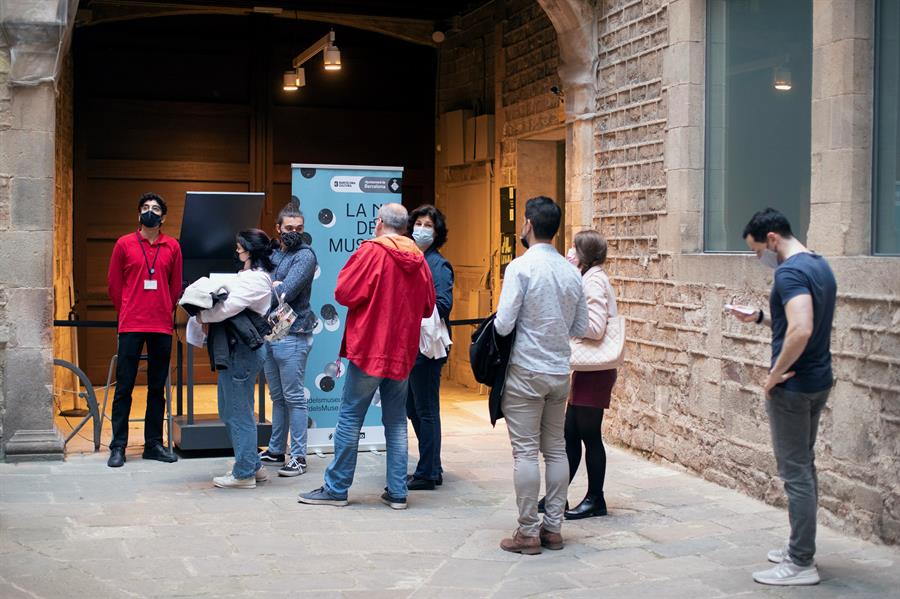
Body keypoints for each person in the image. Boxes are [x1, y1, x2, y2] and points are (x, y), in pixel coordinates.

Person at [298, 203, 435, 510]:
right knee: (397, 422)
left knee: (349, 416)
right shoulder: (419, 259)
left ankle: (336, 489)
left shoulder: (370, 252)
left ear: (379, 223)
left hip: (370, 348)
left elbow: (344, 293)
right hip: (402, 352)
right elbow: (427, 307)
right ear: (404, 228)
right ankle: (398, 492)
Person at [728, 208, 836, 586]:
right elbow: (801, 319)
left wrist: (773, 377)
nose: (761, 259)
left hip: (794, 387)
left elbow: (802, 328)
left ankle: (801, 562)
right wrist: (758, 316)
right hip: (818, 379)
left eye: (758, 251)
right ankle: (799, 546)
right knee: (804, 467)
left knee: (795, 474)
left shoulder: (789, 272)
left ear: (772, 238)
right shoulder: (819, 265)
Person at [493, 196, 588, 554]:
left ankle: (528, 532)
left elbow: (503, 325)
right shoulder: (570, 271)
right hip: (559, 371)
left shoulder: (520, 267)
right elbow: (580, 325)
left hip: (526, 370)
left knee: (525, 453)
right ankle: (554, 528)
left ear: (529, 224)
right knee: (557, 449)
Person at [106, 192, 183, 468]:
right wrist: (128, 309)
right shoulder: (124, 244)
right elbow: (114, 286)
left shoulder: (172, 246)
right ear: (139, 214)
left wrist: (163, 308)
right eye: (145, 208)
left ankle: (153, 444)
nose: (150, 211)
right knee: (124, 387)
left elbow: (175, 287)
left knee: (156, 388)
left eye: (155, 208)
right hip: (132, 324)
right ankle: (118, 446)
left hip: (161, 325)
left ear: (163, 216)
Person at [196, 230, 275, 489]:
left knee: (238, 412)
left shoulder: (256, 280)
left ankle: (243, 474)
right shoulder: (250, 277)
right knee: (230, 410)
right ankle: (253, 465)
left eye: (239, 247)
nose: (237, 251)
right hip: (236, 350)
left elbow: (228, 308)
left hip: (242, 350)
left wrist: (202, 317)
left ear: (249, 250)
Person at [258, 202, 317, 477]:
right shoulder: (273, 253)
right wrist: (272, 286)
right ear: (278, 229)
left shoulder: (305, 256)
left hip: (294, 332)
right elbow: (262, 286)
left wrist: (271, 286)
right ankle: (275, 449)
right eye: (289, 228)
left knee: (294, 397)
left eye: (299, 228)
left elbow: (287, 292)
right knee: (278, 396)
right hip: (271, 331)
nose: (294, 232)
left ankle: (299, 457)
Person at [563, 229, 618, 520]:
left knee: (588, 436)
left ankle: (596, 498)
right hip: (588, 369)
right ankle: (558, 496)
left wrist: (568, 323)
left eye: (574, 248)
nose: (569, 252)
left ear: (583, 253)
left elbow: (595, 328)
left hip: (595, 370)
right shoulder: (589, 278)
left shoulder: (594, 281)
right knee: (570, 434)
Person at [405, 205, 454, 491]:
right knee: (413, 406)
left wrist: (411, 305)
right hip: (412, 344)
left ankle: (428, 472)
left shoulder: (438, 264)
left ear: (437, 233)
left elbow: (443, 304)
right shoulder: (414, 257)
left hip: (428, 347)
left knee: (426, 409)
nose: (422, 229)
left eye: (428, 225)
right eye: (419, 223)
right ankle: (431, 464)